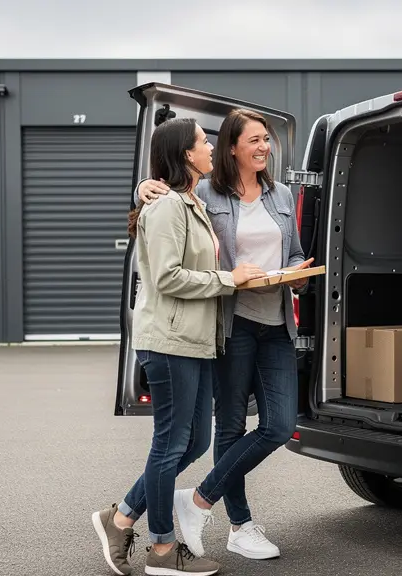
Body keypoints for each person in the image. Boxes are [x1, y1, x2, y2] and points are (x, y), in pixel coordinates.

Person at [134, 108, 311, 561]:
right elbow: (168, 201)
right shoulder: (207, 191)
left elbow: (292, 252)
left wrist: (296, 273)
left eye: (267, 139)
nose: (264, 147)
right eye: (253, 140)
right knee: (229, 428)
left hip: (276, 325)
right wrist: (141, 186)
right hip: (230, 325)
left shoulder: (281, 195)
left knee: (279, 426)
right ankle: (240, 524)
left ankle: (198, 500)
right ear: (232, 146)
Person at [91, 116, 267, 576]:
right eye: (204, 142)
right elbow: (167, 277)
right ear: (187, 154)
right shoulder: (167, 206)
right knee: (170, 445)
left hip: (195, 341)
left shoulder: (191, 200)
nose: (211, 147)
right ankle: (163, 550)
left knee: (194, 443)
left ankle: (122, 516)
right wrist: (230, 279)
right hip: (169, 341)